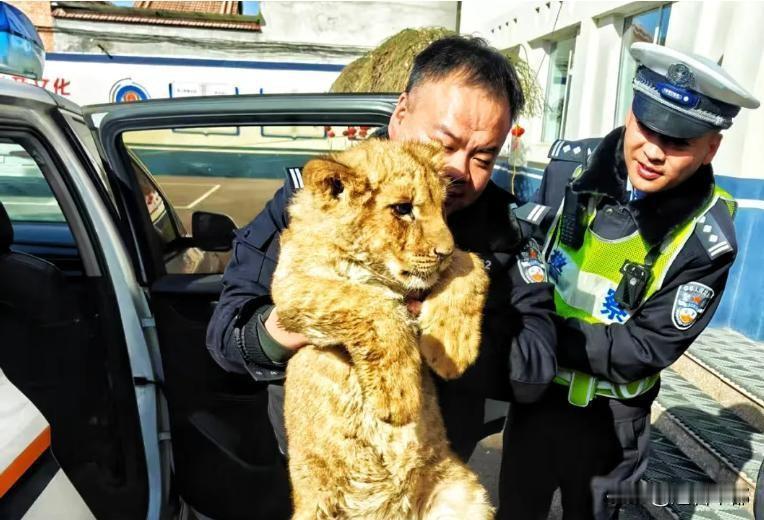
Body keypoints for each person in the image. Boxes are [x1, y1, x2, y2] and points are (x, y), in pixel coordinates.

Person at [206, 33, 557, 509]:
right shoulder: (326, 197)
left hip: (423, 481)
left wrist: (436, 323)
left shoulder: (506, 229)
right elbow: (228, 338)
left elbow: (536, 366)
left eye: (483, 156)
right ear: (401, 112)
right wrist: (317, 317)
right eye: (444, 144)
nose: (456, 170)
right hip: (326, 480)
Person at [500, 42, 760, 519]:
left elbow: (641, 350)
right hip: (535, 400)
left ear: (711, 148)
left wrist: (535, 330)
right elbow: (526, 254)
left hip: (611, 426)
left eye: (678, 143)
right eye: (647, 128)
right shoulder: (569, 169)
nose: (654, 152)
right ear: (630, 113)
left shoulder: (706, 239)